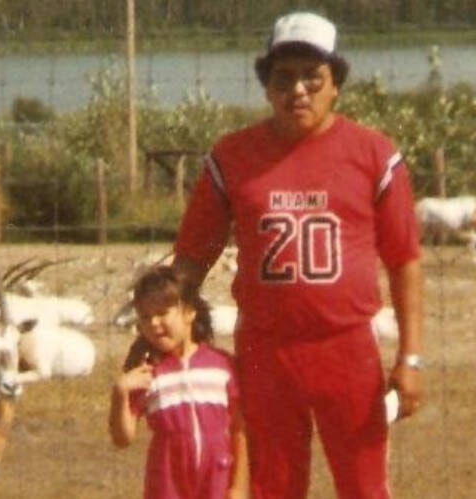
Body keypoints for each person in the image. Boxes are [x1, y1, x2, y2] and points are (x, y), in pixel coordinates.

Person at [172, 11, 424, 499]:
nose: (299, 90)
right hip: (266, 349)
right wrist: (165, 324)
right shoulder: (233, 156)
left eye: (313, 76)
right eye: (283, 77)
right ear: (266, 86)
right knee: (274, 486)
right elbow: (191, 257)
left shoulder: (373, 154)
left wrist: (411, 356)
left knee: (363, 485)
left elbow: (404, 260)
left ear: (336, 85)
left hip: (345, 345)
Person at [108, 265, 249, 499]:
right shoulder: (146, 374)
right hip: (167, 486)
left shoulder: (222, 365)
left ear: (189, 313)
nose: (153, 323)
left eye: (162, 313)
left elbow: (239, 429)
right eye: (145, 317)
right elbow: (123, 438)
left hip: (217, 481)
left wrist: (239, 487)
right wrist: (120, 392)